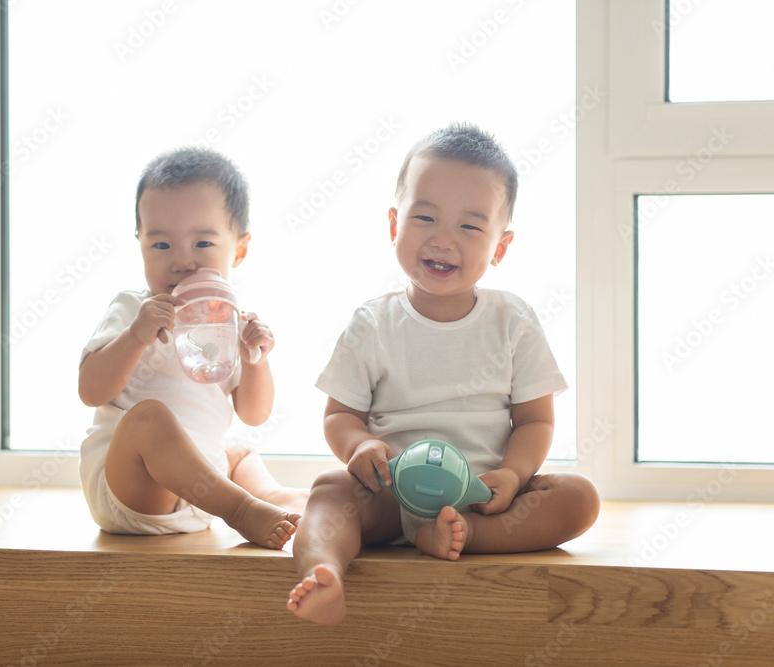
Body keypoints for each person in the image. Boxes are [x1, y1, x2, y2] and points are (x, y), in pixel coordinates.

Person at [286, 123, 600, 624]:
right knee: (328, 492)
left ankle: (462, 536)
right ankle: (323, 571)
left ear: (500, 247)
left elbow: (535, 421)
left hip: (481, 496)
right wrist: (359, 446)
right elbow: (339, 415)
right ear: (394, 224)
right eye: (425, 216)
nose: (443, 239)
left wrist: (512, 474)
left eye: (470, 227)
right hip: (389, 494)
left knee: (578, 498)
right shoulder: (373, 323)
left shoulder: (512, 320)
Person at [78, 147, 304, 550]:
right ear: (140, 245)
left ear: (239, 249)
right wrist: (136, 336)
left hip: (201, 493)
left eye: (202, 244)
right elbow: (91, 391)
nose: (182, 262)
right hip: (135, 493)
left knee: (237, 451)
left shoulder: (231, 324)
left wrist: (255, 361)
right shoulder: (133, 309)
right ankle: (241, 510)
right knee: (148, 419)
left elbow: (254, 414)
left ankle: (271, 498)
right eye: (161, 245)